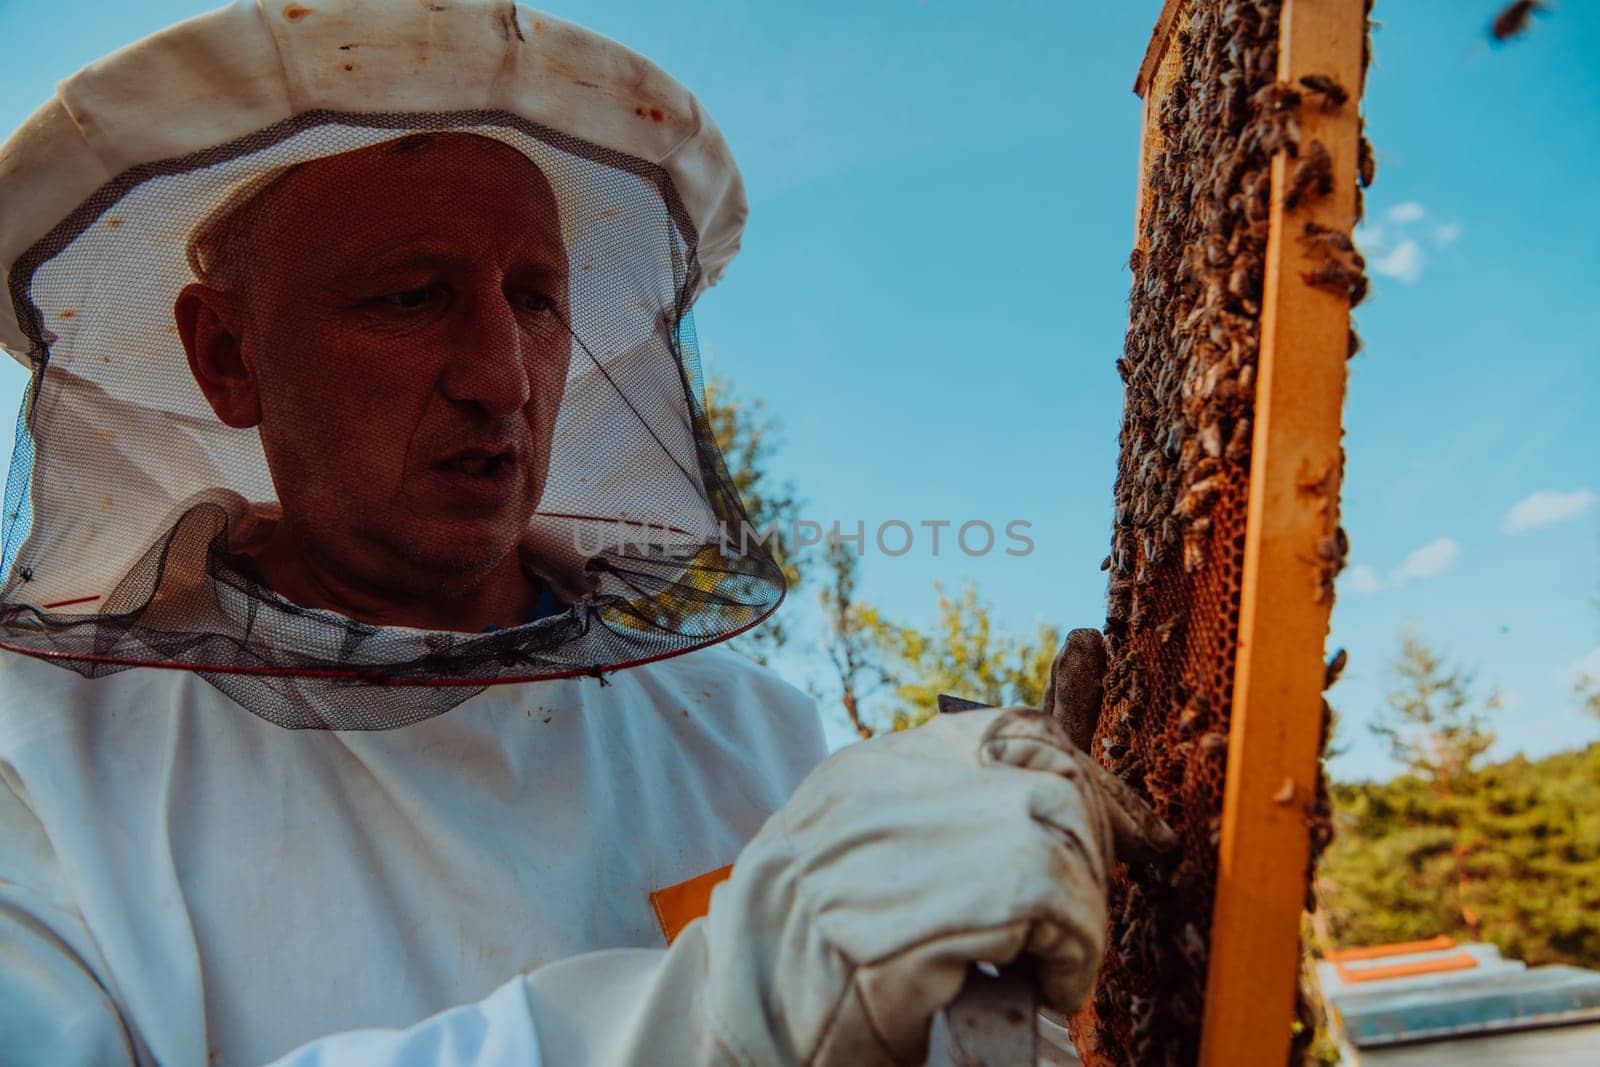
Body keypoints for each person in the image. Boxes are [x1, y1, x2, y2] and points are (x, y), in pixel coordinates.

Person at [0, 3, 1167, 1064]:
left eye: (536, 297)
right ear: (227, 354)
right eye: (412, 296)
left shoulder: (749, 735)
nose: (502, 374)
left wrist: (989, 989)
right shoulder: (41, 768)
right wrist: (731, 1009)